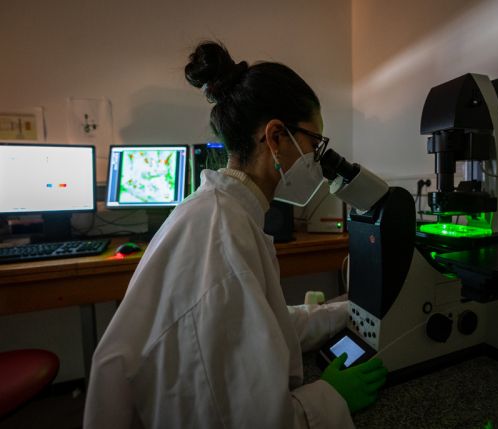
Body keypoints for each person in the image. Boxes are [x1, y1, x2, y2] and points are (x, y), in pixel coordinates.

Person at [83, 41, 387, 428]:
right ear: (276, 137)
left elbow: (263, 324)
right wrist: (330, 397)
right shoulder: (223, 239)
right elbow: (245, 419)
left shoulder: (219, 209)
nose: (317, 161)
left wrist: (348, 312)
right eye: (315, 144)